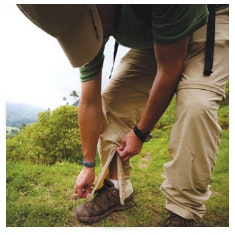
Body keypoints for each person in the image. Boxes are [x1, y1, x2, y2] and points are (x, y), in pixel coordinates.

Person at [17, 4, 229, 226]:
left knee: (196, 106)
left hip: (209, 21)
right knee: (112, 101)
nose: (89, 33)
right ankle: (117, 189)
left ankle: (183, 211)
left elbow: (169, 70)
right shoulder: (83, 23)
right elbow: (90, 102)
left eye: (89, 24)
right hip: (154, 38)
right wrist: (88, 165)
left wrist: (140, 132)